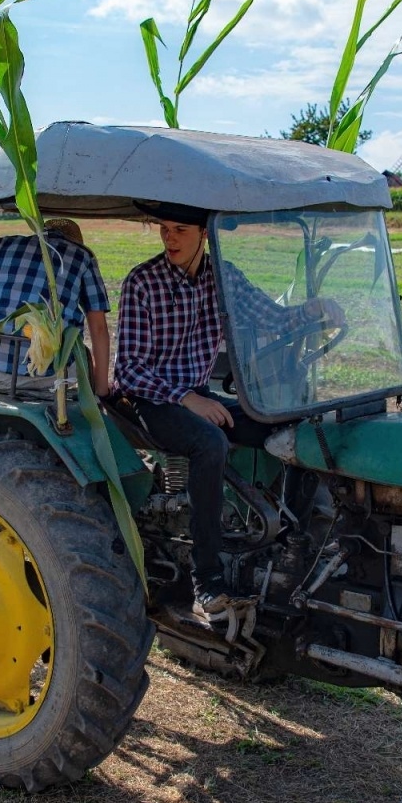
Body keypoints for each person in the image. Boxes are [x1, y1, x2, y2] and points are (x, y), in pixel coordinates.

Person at [110, 201, 342, 618]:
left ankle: (290, 546)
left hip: (199, 394)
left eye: (181, 229)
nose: (170, 238)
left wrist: (314, 310)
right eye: (164, 229)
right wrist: (187, 399)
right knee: (210, 443)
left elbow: (272, 318)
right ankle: (206, 582)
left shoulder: (224, 277)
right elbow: (127, 370)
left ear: (205, 234)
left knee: (293, 426)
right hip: (155, 401)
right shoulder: (142, 282)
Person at [0, 218, 110, 395]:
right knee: (82, 352)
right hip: (49, 376)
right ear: (76, 242)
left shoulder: (5, 245)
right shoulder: (82, 257)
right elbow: (99, 328)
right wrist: (101, 390)